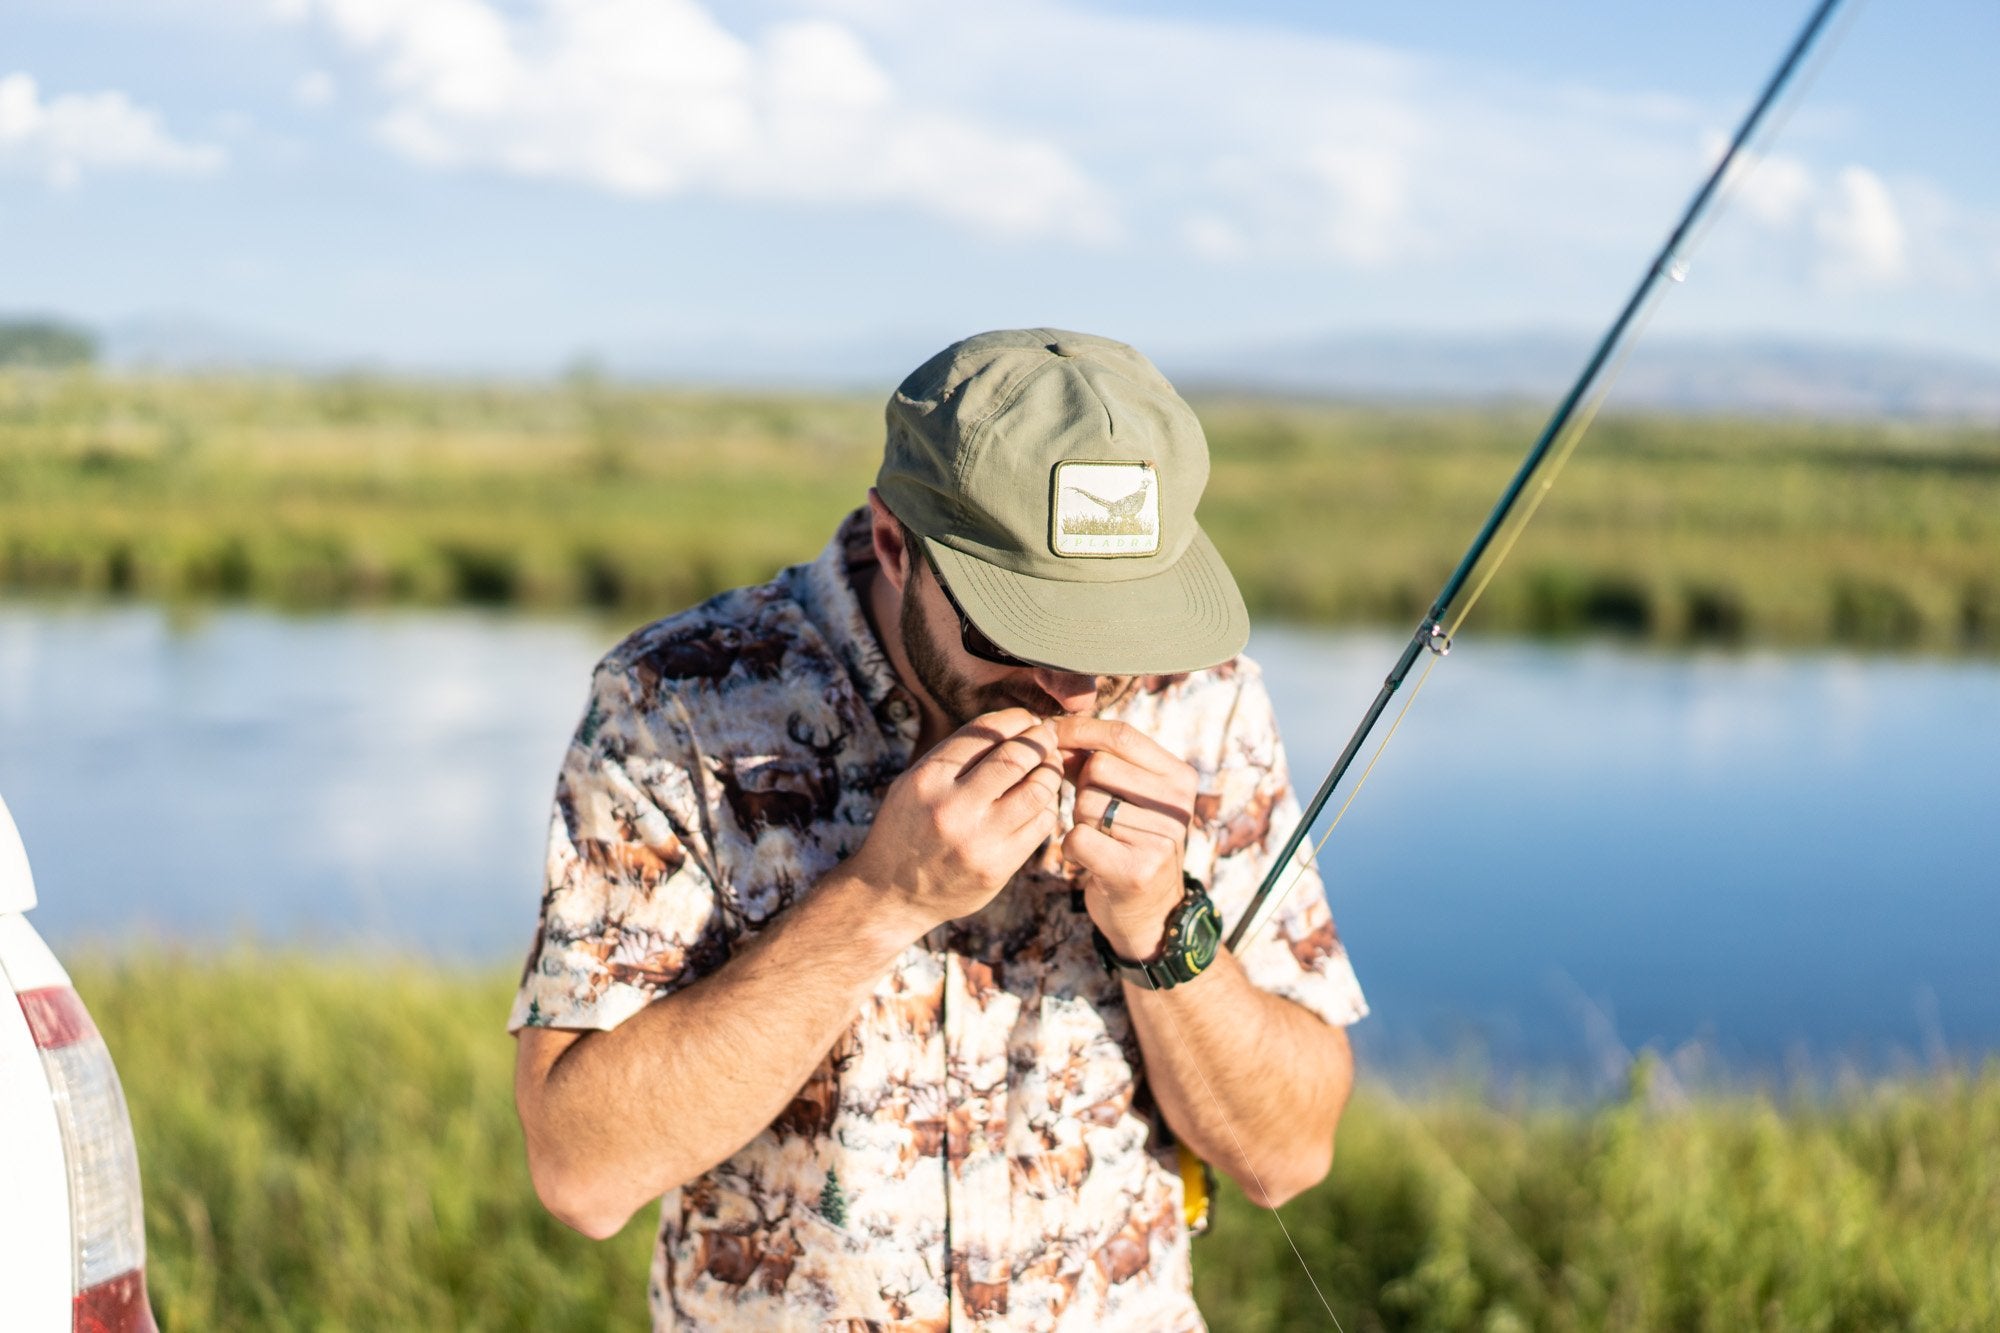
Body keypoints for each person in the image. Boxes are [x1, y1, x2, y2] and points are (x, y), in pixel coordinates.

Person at [509, 328, 1368, 1331]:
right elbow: (581, 1174)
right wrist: (878, 902)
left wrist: (1160, 921)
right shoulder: (678, 705)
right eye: (1023, 625)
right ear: (891, 543)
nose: (1077, 684)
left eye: (1119, 631)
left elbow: (1287, 1156)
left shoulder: (1205, 701)